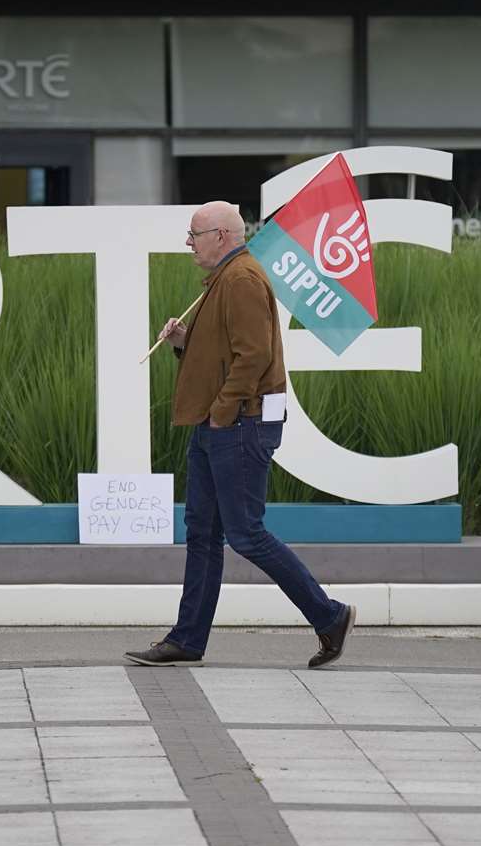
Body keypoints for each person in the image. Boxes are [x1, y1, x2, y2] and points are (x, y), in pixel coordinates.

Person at [125, 202, 355, 669]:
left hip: (238, 424)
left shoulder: (243, 280)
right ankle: (188, 639)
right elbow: (226, 352)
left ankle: (329, 616)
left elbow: (252, 357)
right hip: (224, 424)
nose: (188, 243)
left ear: (222, 235)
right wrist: (184, 342)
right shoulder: (227, 279)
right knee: (203, 534)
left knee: (245, 534)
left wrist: (222, 412)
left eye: (193, 234)